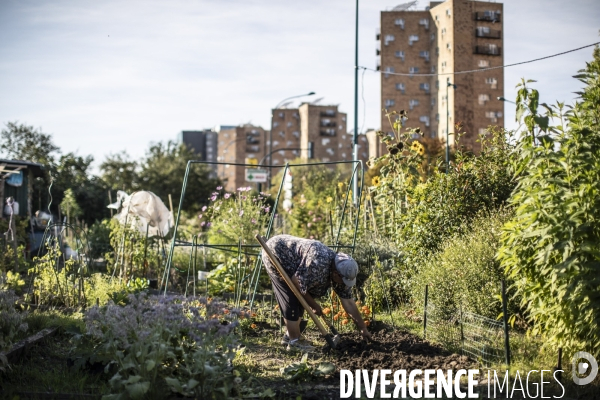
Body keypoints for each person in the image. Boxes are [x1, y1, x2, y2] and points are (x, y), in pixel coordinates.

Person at [262, 234, 372, 352]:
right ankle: (294, 342)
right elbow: (296, 282)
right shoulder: (317, 262)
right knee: (291, 298)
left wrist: (362, 328)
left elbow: (349, 303)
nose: (344, 284)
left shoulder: (340, 273)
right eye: (343, 280)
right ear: (336, 273)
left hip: (295, 265)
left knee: (302, 300)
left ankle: (289, 336)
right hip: (277, 253)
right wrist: (313, 304)